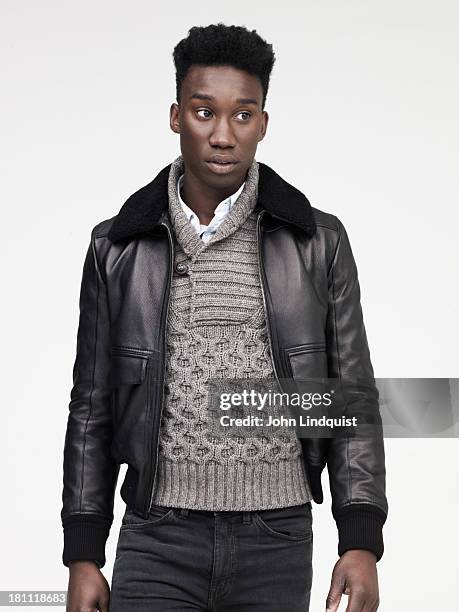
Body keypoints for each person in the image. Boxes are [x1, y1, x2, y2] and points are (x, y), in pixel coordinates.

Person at [61, 23, 387, 612]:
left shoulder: (318, 242)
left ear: (263, 123)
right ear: (175, 116)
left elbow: (350, 397)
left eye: (242, 115)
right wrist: (83, 553)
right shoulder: (118, 247)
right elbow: (91, 407)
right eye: (204, 111)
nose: (222, 135)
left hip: (277, 539)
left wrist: (360, 539)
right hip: (156, 536)